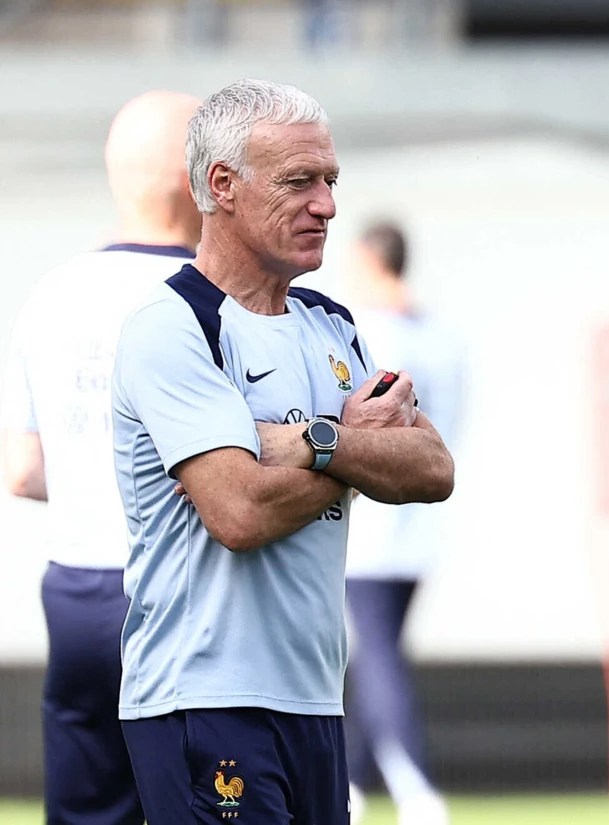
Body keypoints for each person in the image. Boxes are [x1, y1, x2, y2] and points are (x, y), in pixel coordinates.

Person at [111, 78, 454, 825]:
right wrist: (358, 451)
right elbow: (239, 510)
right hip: (203, 701)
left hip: (315, 699)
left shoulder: (332, 323)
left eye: (331, 181)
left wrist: (316, 442)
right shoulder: (174, 328)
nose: (327, 204)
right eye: (300, 181)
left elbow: (433, 469)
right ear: (222, 186)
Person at [0, 89, 201, 825]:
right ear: (203, 177)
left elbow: (22, 470)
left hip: (79, 590)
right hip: (188, 594)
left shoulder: (52, 293)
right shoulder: (221, 300)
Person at [342, 221, 464, 825]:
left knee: (378, 653)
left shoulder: (369, 333)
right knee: (376, 653)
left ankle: (416, 788)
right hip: (422, 527)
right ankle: (351, 784)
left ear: (368, 260)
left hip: (370, 530)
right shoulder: (442, 337)